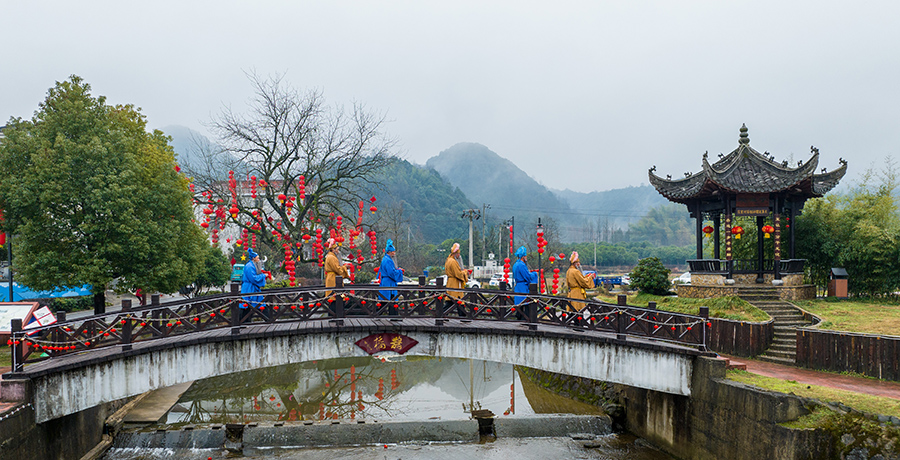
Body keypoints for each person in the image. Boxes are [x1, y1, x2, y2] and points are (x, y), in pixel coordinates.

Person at [444, 242, 469, 316]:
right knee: (456, 299)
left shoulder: (448, 260)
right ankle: (443, 314)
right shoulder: (453, 262)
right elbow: (458, 274)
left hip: (451, 282)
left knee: (452, 300)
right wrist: (465, 272)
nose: (459, 255)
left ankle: (462, 315)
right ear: (456, 254)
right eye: (458, 254)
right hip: (455, 283)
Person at [241, 248, 268, 316]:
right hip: (249, 288)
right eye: (257, 258)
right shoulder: (249, 266)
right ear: (253, 258)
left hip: (252, 287)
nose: (259, 259)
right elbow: (253, 278)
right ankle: (244, 321)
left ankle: (268, 319)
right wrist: (263, 275)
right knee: (247, 305)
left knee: (258, 303)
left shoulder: (253, 265)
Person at [378, 239, 404, 304]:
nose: (394, 253)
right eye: (393, 251)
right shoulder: (388, 260)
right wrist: (400, 271)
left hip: (385, 281)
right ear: (389, 252)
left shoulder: (385, 259)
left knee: (385, 300)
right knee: (390, 300)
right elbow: (391, 273)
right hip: (388, 282)